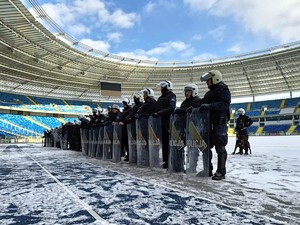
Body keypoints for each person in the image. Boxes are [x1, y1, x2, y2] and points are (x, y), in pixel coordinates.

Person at [199, 70, 231, 180]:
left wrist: (209, 106)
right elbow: (202, 102)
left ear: (215, 78)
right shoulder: (209, 93)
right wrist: (193, 106)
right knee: (206, 147)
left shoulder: (223, 89)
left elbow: (224, 104)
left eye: (208, 80)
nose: (207, 82)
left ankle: (221, 171)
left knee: (220, 147)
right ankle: (207, 169)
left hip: (219, 123)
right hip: (208, 124)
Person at [154, 80, 176, 169]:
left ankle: (169, 161)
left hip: (167, 122)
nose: (161, 89)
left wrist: (159, 113)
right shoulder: (160, 98)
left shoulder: (171, 96)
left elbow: (171, 108)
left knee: (168, 143)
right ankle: (165, 161)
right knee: (163, 143)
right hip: (160, 122)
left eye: (162, 87)